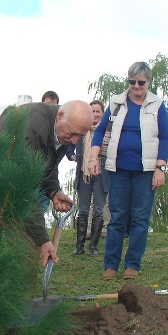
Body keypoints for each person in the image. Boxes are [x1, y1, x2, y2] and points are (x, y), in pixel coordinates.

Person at [0, 100, 93, 266]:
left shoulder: (62, 130)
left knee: (22, 239)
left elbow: (46, 166)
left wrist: (54, 191)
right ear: (60, 116)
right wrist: (43, 239)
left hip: (11, 175)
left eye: (80, 137)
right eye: (72, 133)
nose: (75, 141)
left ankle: (14, 285)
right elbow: (23, 190)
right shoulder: (31, 129)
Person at [88, 61, 168, 280]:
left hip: (145, 171)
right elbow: (99, 133)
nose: (136, 86)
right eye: (132, 81)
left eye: (141, 82)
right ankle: (111, 265)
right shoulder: (116, 102)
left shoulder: (157, 105)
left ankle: (132, 264)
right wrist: (93, 158)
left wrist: (160, 168)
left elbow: (165, 137)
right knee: (117, 218)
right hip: (118, 169)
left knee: (140, 219)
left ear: (149, 82)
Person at [68, 100, 108, 256]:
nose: (96, 114)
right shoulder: (81, 130)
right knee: (83, 210)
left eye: (98, 112)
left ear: (103, 114)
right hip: (84, 174)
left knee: (98, 210)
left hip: (101, 175)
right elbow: (69, 146)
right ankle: (79, 246)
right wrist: (72, 155)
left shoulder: (107, 133)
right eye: (93, 111)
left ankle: (94, 246)